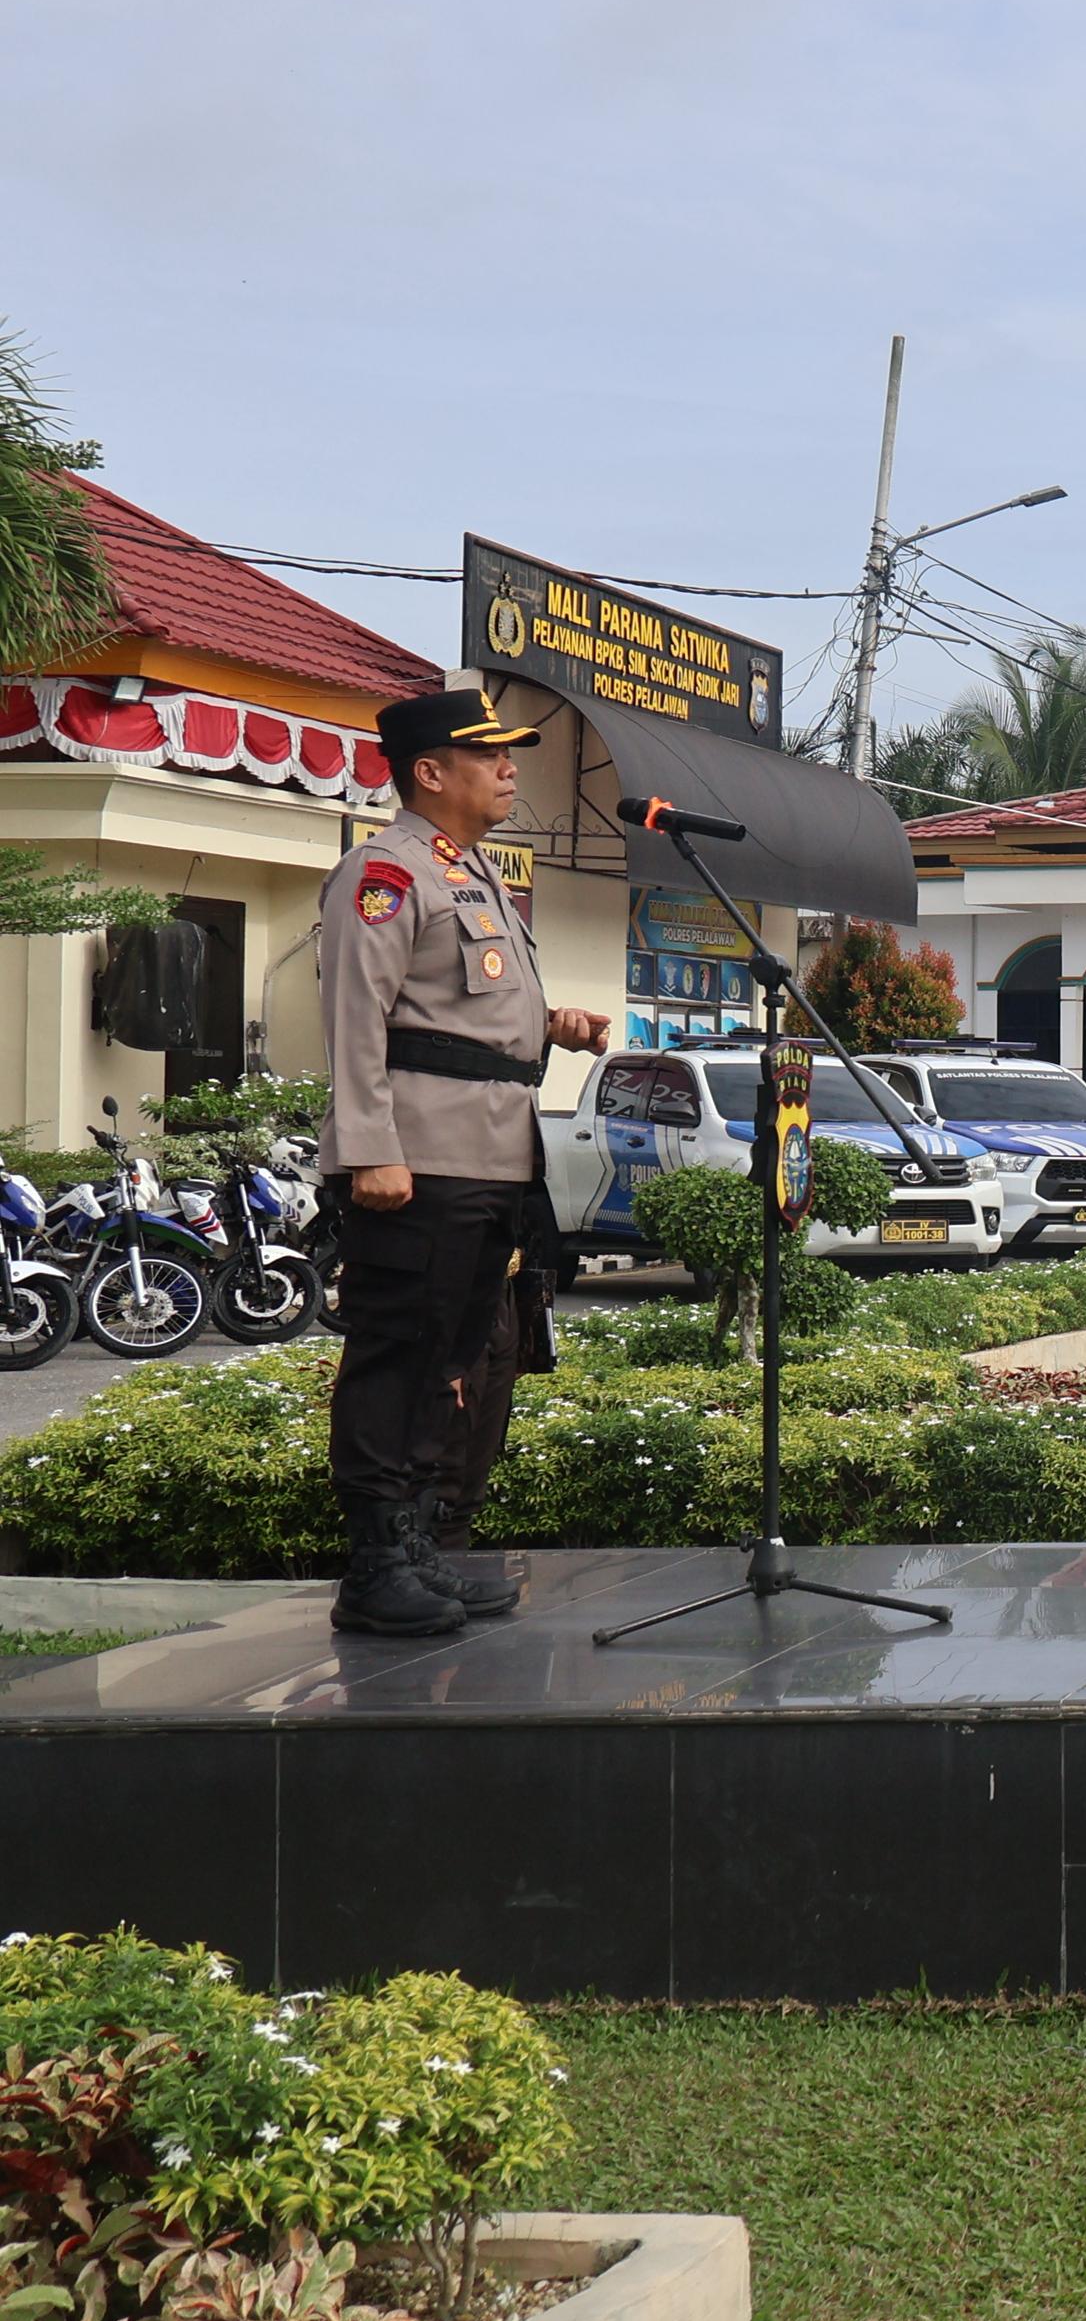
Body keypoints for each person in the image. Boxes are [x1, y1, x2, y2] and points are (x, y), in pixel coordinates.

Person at [316, 687, 608, 1638]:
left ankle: (422, 1549)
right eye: (490, 755)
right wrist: (369, 1149)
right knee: (399, 1355)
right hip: (420, 1159)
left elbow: (460, 1014)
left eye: (510, 755)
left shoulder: (472, 874)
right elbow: (358, 1017)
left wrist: (549, 1026)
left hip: (489, 1155)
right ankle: (374, 1567)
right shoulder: (388, 873)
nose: (511, 768)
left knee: (457, 1362)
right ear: (430, 773)